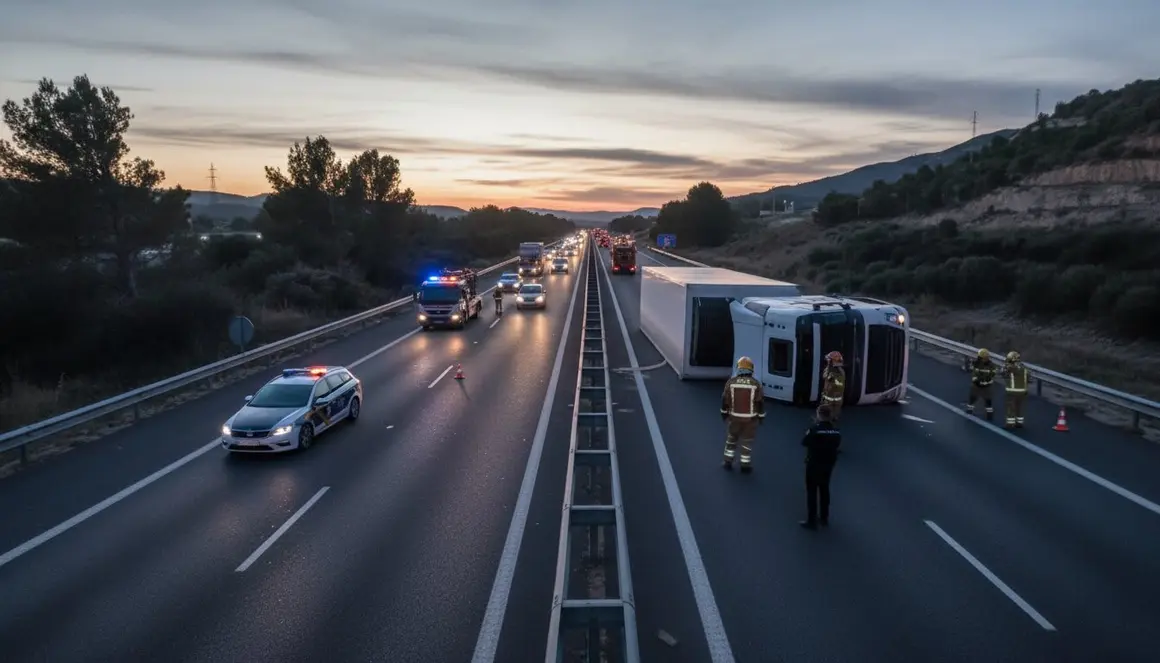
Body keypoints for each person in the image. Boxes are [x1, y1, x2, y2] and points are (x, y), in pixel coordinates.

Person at [720, 356, 765, 473]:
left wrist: (724, 414)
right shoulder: (756, 384)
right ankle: (745, 466)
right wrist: (761, 417)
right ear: (751, 369)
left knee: (731, 440)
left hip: (734, 418)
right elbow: (760, 402)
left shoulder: (731, 382)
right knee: (746, 442)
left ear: (738, 369)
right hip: (750, 421)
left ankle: (727, 462)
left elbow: (724, 400)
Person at [801, 405, 842, 530]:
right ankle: (824, 518)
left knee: (812, 491)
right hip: (828, 465)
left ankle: (811, 520)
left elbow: (804, 442)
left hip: (814, 464)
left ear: (819, 415)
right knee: (824, 490)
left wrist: (814, 427)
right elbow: (837, 445)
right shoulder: (836, 431)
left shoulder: (814, 430)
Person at [1000, 350, 1031, 429]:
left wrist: (1005, 366)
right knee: (1019, 407)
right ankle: (1019, 423)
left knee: (1011, 407)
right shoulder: (1024, 368)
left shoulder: (1010, 367)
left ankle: (1010, 424)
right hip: (1023, 391)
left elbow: (1002, 373)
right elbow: (1028, 378)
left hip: (1012, 391)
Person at [966, 348, 997, 420]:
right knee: (972, 398)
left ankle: (989, 415)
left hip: (986, 386)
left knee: (988, 401)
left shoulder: (991, 365)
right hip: (977, 385)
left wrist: (986, 379)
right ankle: (969, 410)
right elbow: (971, 371)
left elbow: (993, 374)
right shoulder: (976, 363)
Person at [820, 351, 846, 420]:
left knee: (828, 410)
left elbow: (825, 377)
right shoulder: (842, 371)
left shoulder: (830, 372)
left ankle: (828, 419)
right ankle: (834, 418)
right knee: (836, 410)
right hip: (839, 398)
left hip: (829, 397)